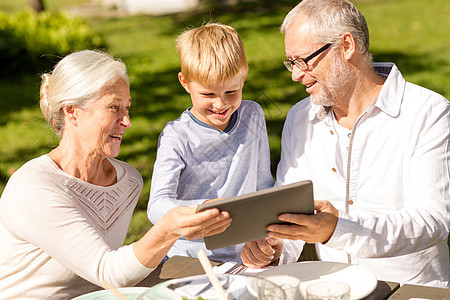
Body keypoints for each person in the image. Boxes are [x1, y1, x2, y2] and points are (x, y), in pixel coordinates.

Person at [241, 0, 450, 288]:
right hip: (331, 289)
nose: (295, 74)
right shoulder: (299, 118)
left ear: (347, 46)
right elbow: (290, 210)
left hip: (411, 290)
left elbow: (432, 221)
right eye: (291, 62)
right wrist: (274, 247)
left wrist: (339, 229)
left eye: (303, 60)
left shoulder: (427, 112)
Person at [0, 50, 232, 299]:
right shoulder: (35, 187)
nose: (127, 121)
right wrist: (167, 230)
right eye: (114, 107)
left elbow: (116, 274)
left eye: (127, 108)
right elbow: (107, 271)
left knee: (224, 282)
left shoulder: (128, 181)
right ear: (72, 111)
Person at [147, 22, 274, 262]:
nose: (220, 104)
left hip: (243, 254)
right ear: (185, 82)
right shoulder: (178, 136)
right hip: (190, 257)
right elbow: (156, 206)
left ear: (243, 77)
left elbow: (263, 185)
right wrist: (203, 209)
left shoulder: (253, 115)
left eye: (231, 92)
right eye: (208, 94)